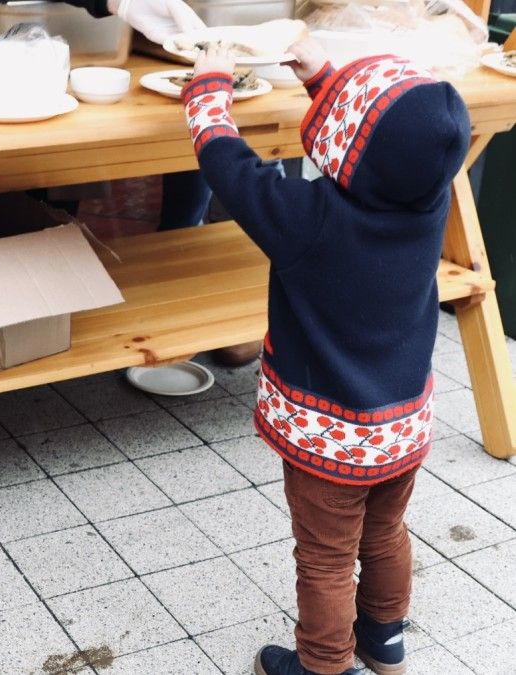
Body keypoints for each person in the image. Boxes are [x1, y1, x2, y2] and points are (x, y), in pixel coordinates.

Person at [181, 39, 470, 675]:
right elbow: (386, 150)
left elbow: (229, 165)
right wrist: (322, 76)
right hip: (400, 427)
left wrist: (209, 88)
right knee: (386, 533)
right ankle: (384, 641)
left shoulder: (306, 218)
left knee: (325, 558)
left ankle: (321, 664)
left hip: (330, 436)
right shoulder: (429, 202)